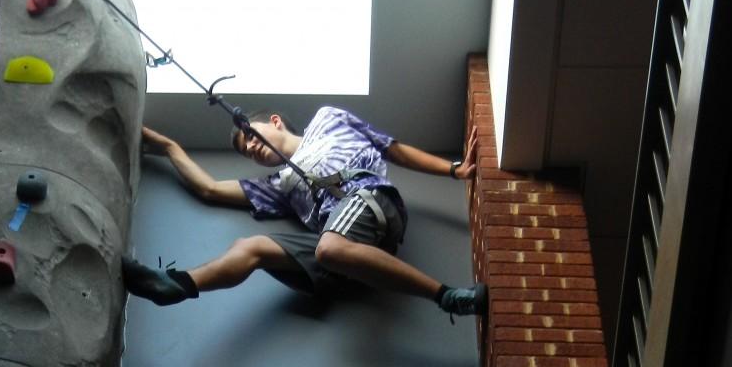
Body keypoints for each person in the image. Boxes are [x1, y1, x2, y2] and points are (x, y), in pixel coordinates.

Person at [123, 106, 485, 321]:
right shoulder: (278, 184)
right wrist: (169, 147)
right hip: (336, 249)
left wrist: (454, 170)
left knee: (328, 248)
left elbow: (393, 149)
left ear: (275, 122)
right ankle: (178, 285)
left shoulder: (329, 120)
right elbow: (210, 189)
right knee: (252, 248)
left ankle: (448, 296)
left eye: (251, 136)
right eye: (247, 151)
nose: (251, 148)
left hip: (370, 204)